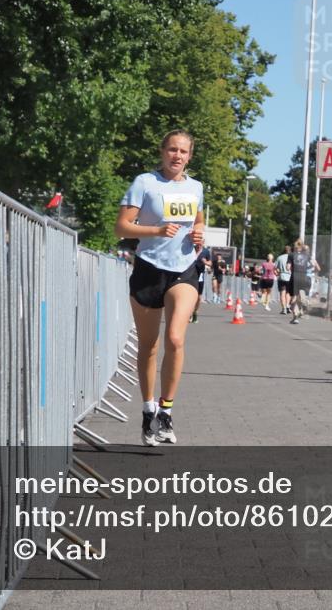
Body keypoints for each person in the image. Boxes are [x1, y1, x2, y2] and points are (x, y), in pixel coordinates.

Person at [115, 130, 204, 446]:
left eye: (183, 151)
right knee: (149, 345)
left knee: (175, 338)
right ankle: (148, 409)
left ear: (189, 156)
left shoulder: (196, 187)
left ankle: (166, 412)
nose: (177, 156)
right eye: (172, 150)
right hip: (148, 270)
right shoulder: (145, 183)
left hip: (184, 269)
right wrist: (155, 229)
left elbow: (199, 219)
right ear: (162, 151)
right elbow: (121, 226)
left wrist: (199, 233)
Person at [287, 240, 314, 324]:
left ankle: (294, 313)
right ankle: (304, 302)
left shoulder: (291, 255)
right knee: (301, 294)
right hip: (304, 276)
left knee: (294, 296)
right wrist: (306, 268)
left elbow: (288, 267)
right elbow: (313, 264)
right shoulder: (306, 255)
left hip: (295, 276)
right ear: (302, 246)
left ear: (295, 247)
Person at [191, 247, 212, 323]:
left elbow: (210, 263)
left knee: (199, 297)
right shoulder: (191, 248)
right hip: (190, 275)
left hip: (200, 277)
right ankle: (189, 313)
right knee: (191, 295)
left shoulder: (206, 251)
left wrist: (206, 262)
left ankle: (195, 312)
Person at [276, 245, 292, 314]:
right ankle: (288, 306)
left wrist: (277, 272)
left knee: (282, 293)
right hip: (290, 276)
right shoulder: (291, 257)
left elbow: (275, 268)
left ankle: (284, 309)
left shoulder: (279, 257)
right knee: (288, 293)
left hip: (282, 276)